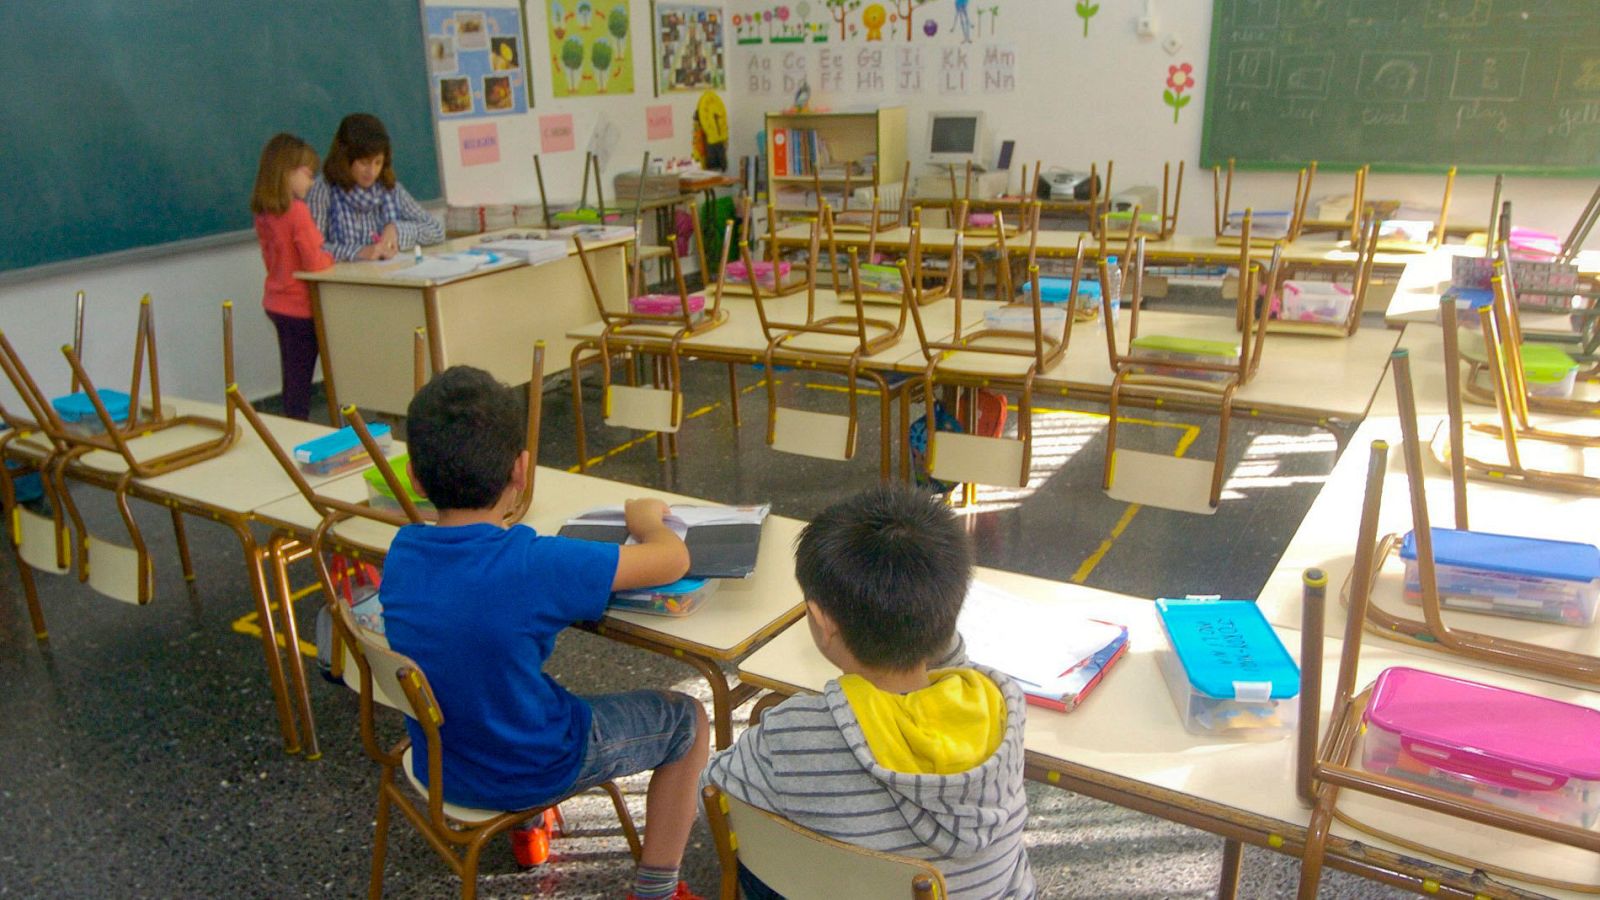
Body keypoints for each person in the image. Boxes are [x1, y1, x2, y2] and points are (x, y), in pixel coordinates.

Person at [378, 366, 708, 900]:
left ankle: (529, 830)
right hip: (531, 764)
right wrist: (647, 517)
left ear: (414, 476)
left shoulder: (402, 552)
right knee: (687, 720)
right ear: (521, 471)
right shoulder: (534, 564)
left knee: (508, 677)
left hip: (441, 760)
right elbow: (671, 559)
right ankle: (657, 889)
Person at [703, 485, 1036, 899]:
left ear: (822, 620)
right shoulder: (1002, 704)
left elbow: (715, 796)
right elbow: (956, 668)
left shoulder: (793, 734)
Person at [250, 133, 335, 421]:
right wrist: (332, 256)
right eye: (308, 175)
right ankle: (299, 430)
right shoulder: (297, 211)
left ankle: (294, 424)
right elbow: (315, 262)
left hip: (276, 302)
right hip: (301, 308)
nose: (311, 183)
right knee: (302, 380)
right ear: (288, 172)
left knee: (293, 376)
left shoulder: (264, 214)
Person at [306, 113, 444, 262]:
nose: (371, 172)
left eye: (378, 162)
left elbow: (436, 230)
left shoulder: (389, 188)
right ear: (345, 159)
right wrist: (358, 252)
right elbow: (312, 249)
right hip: (345, 282)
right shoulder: (324, 189)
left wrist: (397, 230)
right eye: (364, 163)